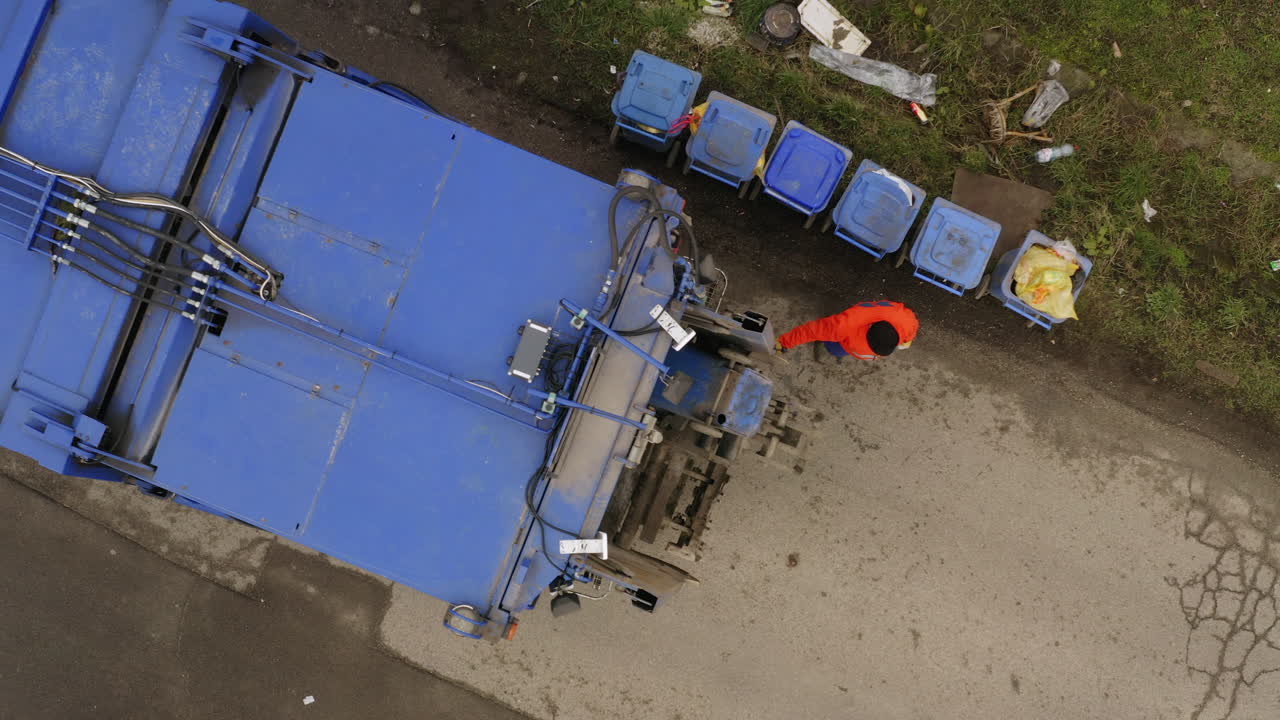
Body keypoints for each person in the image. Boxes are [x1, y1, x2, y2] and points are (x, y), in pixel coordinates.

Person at [774, 301, 918, 361]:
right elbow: (811, 331)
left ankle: (831, 346)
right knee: (834, 347)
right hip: (844, 342)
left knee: (835, 345)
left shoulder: (906, 321)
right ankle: (828, 345)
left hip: (849, 342)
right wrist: (784, 343)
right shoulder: (841, 327)